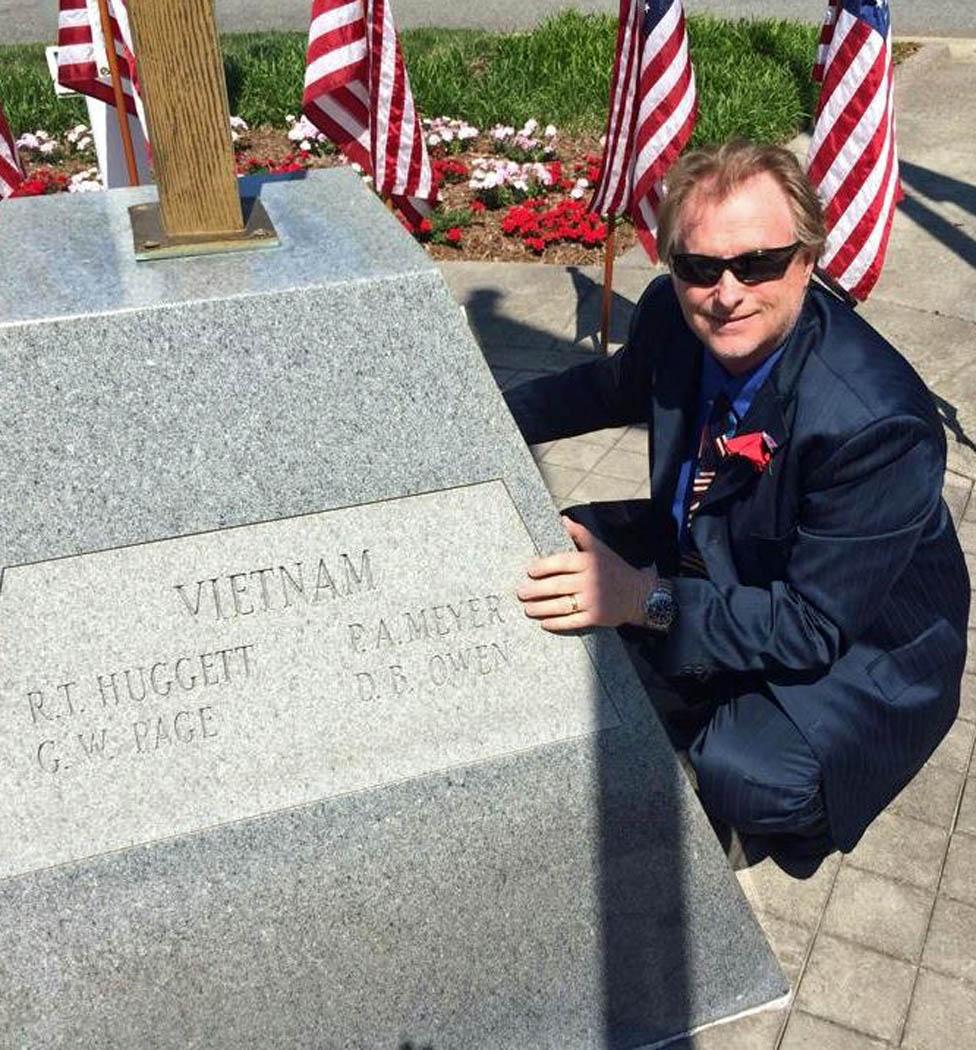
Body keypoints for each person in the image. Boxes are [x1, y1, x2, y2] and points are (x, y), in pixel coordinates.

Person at [505, 140, 970, 864]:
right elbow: (608, 389)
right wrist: (481, 416)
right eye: (699, 267)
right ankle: (690, 672)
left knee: (745, 773)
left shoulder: (878, 424)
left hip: (865, 635)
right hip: (728, 548)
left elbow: (813, 625)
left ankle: (742, 748)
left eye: (758, 263)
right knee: (541, 554)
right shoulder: (673, 316)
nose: (727, 293)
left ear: (808, 259)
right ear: (671, 267)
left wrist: (645, 602)